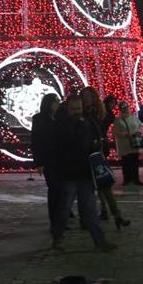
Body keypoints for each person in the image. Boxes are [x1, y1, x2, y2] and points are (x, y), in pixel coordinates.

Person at [51, 96, 118, 251]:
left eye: (79, 109)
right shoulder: (62, 125)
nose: (77, 112)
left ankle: (99, 241)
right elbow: (61, 148)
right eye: (74, 109)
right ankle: (57, 237)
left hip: (85, 172)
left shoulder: (87, 122)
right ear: (67, 108)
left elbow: (94, 140)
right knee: (64, 209)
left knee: (90, 209)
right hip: (69, 174)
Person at [81, 87, 127, 228]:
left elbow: (103, 129)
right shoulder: (81, 113)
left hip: (98, 153)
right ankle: (89, 217)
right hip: (85, 154)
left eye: (89, 96)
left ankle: (115, 215)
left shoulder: (99, 113)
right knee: (86, 188)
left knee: (105, 185)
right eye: (85, 96)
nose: (87, 98)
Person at [31, 94, 61, 229]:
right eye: (56, 102)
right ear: (49, 103)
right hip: (48, 160)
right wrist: (39, 163)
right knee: (53, 189)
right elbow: (36, 141)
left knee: (61, 191)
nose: (58, 104)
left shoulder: (61, 118)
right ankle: (54, 220)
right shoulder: (39, 119)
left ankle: (61, 218)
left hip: (61, 159)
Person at [112, 100, 143, 186]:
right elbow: (114, 131)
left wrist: (138, 132)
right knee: (126, 162)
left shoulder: (134, 117)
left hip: (134, 143)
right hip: (124, 145)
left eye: (126, 107)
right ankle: (127, 179)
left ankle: (136, 178)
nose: (125, 109)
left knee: (135, 162)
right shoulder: (118, 119)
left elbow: (141, 126)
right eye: (123, 108)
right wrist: (125, 135)